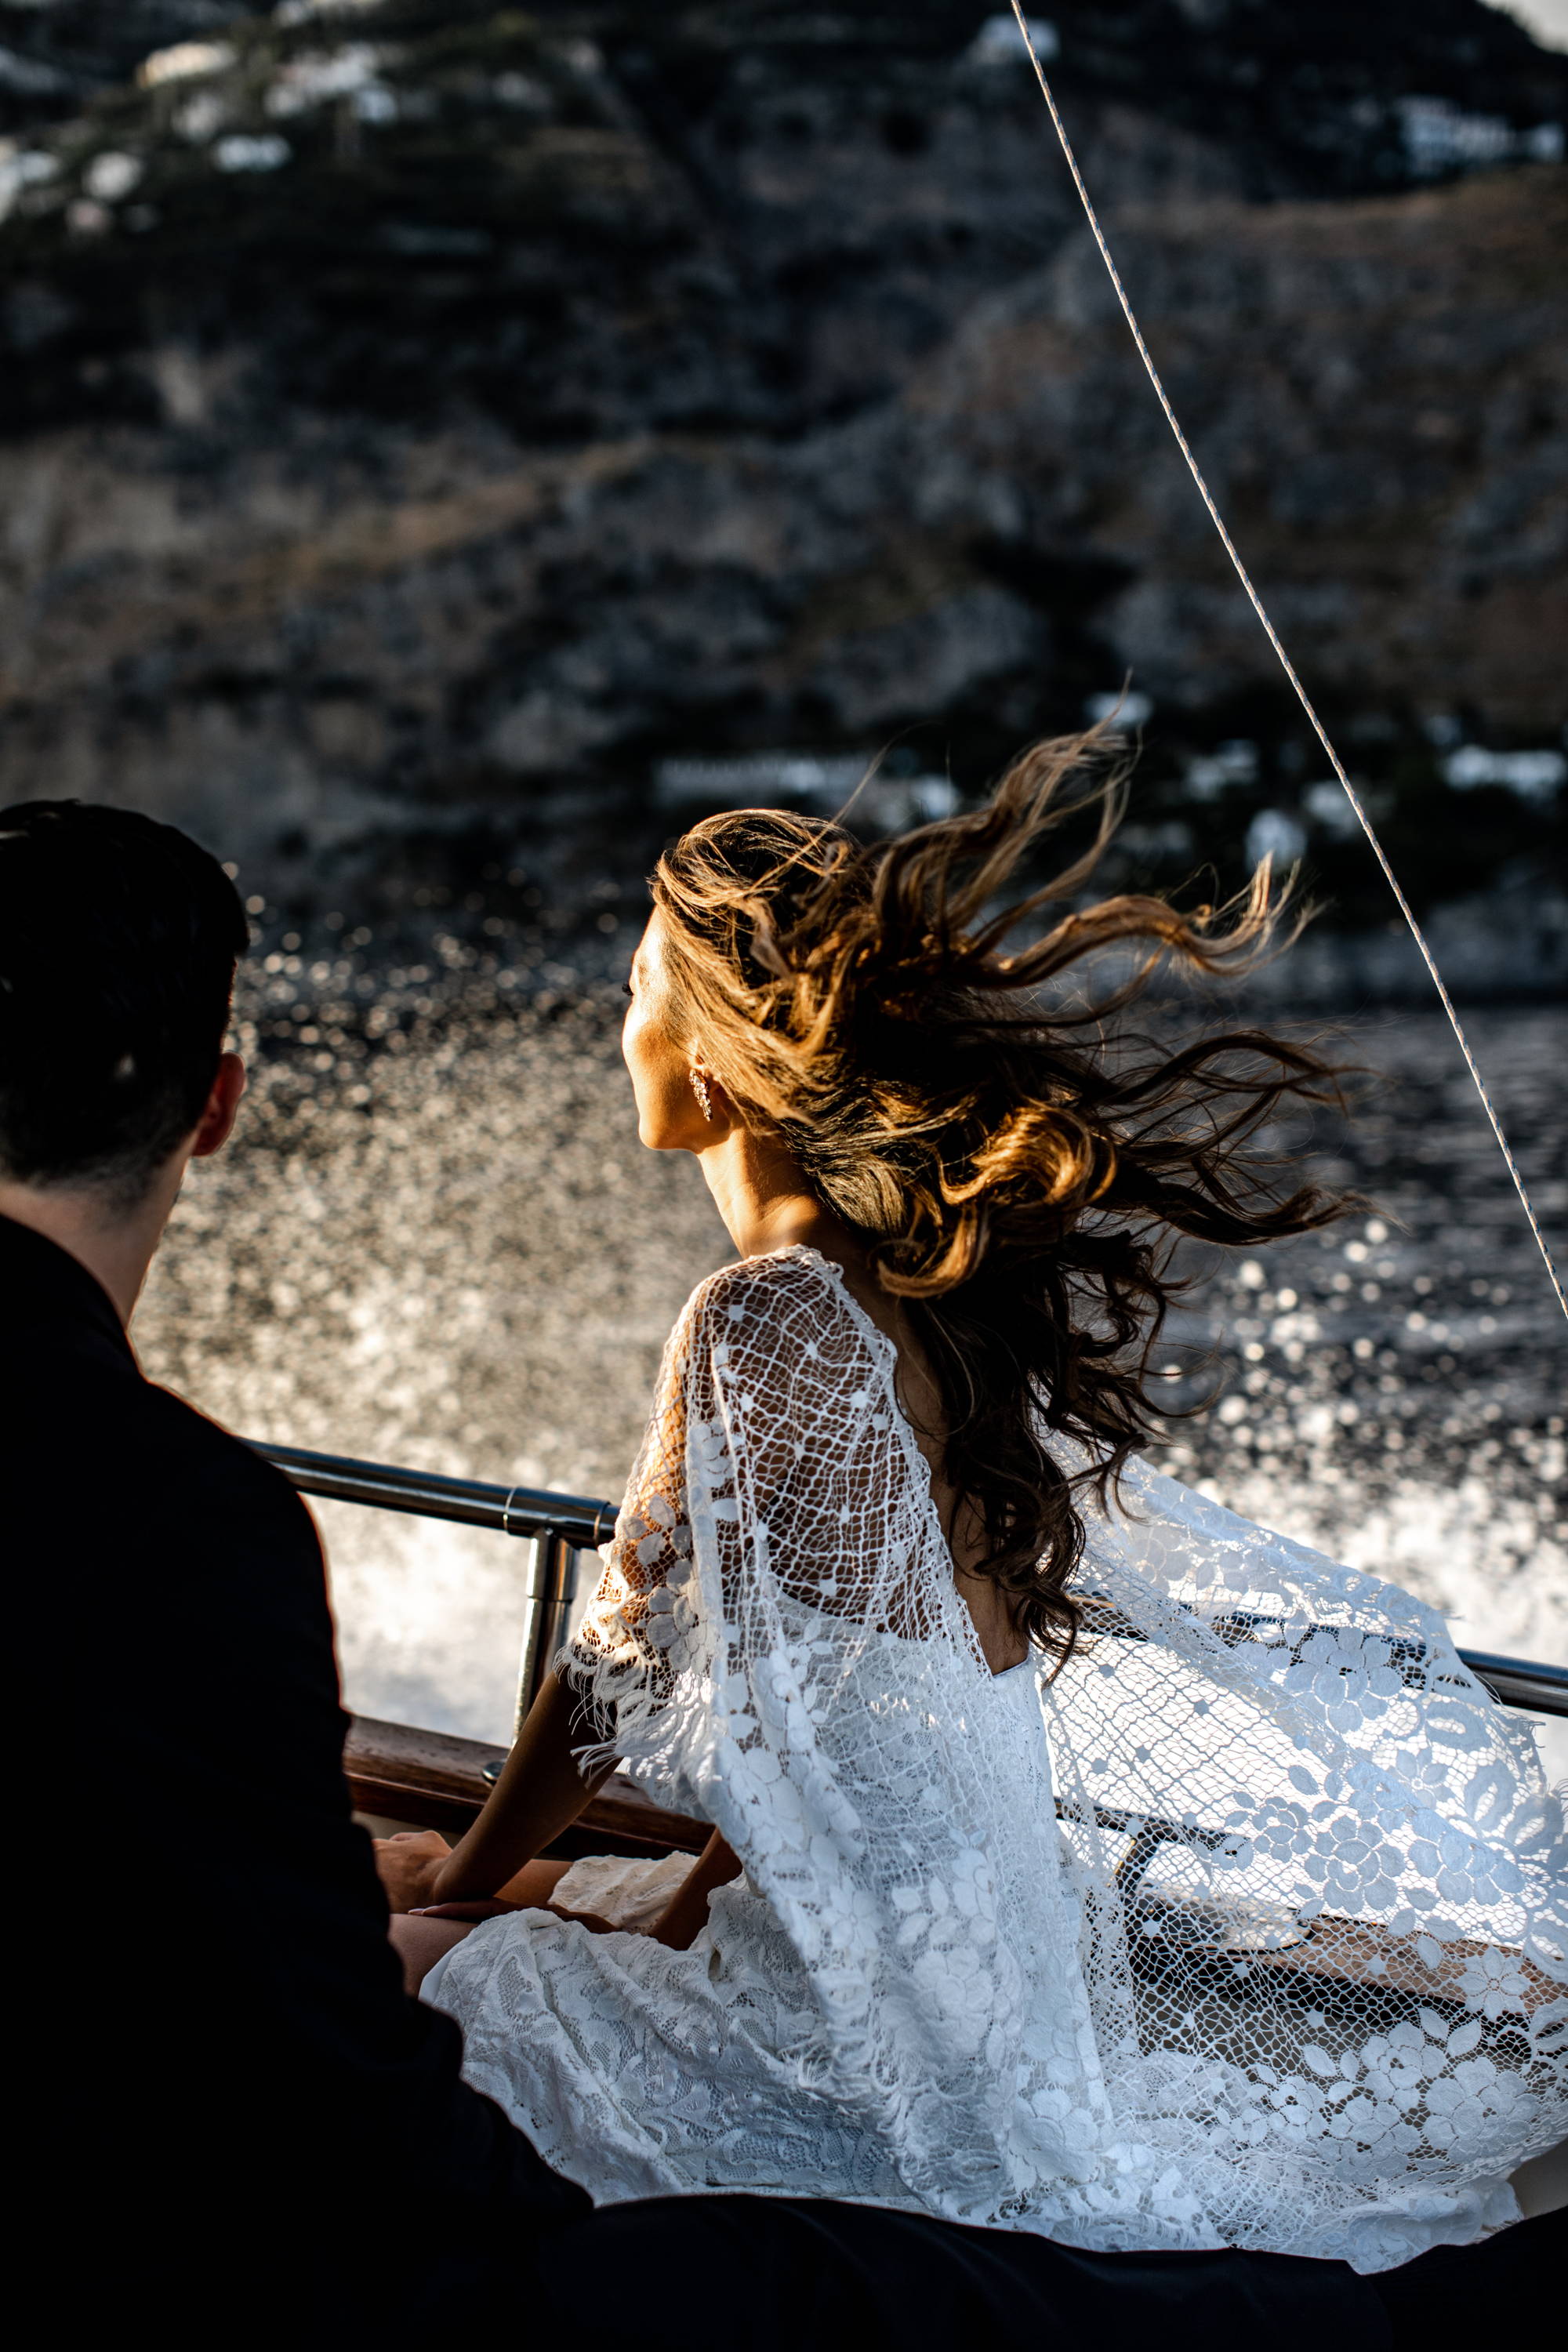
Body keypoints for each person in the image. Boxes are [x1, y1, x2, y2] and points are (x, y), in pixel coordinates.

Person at [3, 796, 1548, 2343]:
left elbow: (610, 1682)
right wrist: (654, 1899)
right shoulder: (917, 1303)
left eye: (633, 990)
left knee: (421, 1951)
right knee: (500, 1926)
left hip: (850, 2036)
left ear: (720, 1044)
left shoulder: (769, 1318)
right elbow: (829, 1716)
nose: (617, 1029)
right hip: (965, 2002)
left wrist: (467, 1892)